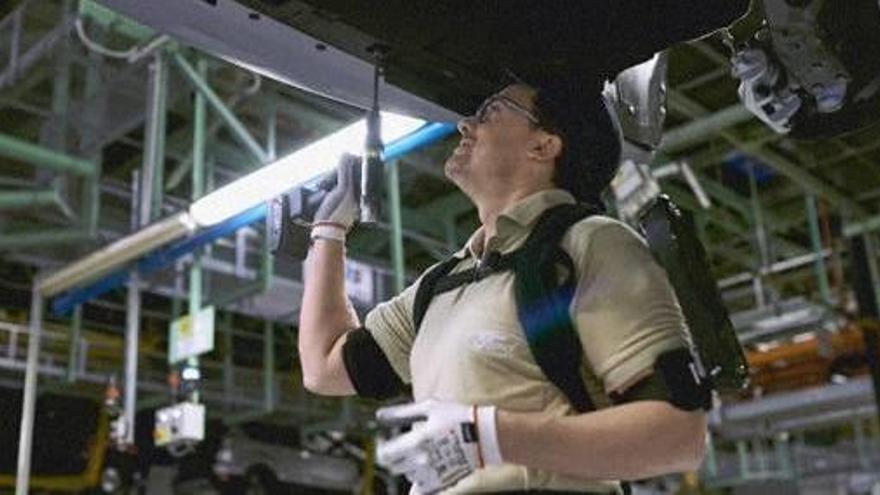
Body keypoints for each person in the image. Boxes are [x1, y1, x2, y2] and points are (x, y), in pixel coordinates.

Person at [298, 75, 711, 494]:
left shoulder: (589, 243)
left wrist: (488, 435)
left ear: (543, 145)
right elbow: (325, 368)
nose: (465, 126)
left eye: (490, 113)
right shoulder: (441, 285)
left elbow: (678, 434)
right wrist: (328, 231)